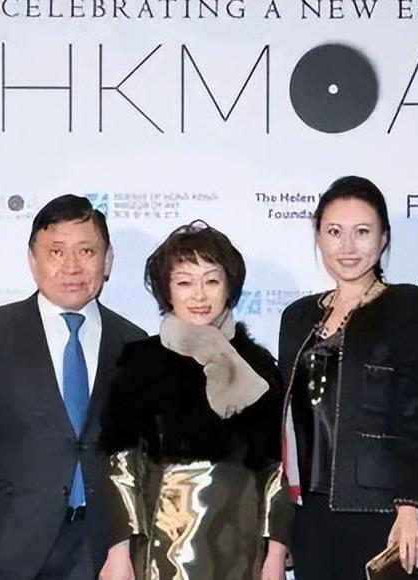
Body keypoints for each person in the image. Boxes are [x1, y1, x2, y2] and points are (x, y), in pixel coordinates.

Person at [0, 194, 147, 580]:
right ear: (32, 260)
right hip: (6, 546)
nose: (72, 266)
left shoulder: (133, 343)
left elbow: (136, 458)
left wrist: (124, 544)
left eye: (86, 251)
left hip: (100, 553)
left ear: (108, 260)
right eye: (56, 252)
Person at [96, 221, 290, 580]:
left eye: (211, 281)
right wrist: (118, 551)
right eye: (185, 282)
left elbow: (277, 471)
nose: (199, 295)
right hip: (160, 550)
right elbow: (120, 464)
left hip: (243, 551)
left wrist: (275, 555)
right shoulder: (139, 364)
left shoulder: (260, 369)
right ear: (167, 291)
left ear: (229, 287)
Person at [278, 176, 418, 580]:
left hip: (380, 509)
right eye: (335, 232)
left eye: (362, 232)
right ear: (318, 237)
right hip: (308, 513)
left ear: (383, 239)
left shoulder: (408, 306)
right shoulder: (297, 316)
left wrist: (410, 508)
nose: (347, 247)